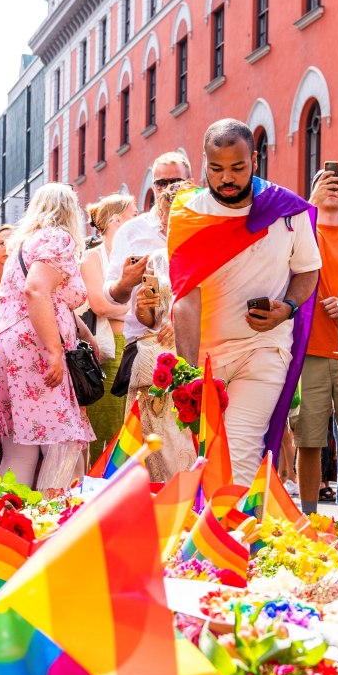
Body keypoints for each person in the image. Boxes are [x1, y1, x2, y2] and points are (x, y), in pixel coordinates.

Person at [170, 120, 320, 485]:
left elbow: (308, 271)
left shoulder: (287, 210)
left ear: (254, 159)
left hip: (264, 349)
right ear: (204, 162)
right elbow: (185, 299)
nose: (227, 178)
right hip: (206, 357)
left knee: (239, 454)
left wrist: (288, 306)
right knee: (205, 457)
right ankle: (226, 520)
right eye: (216, 169)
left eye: (237, 167)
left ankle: (232, 522)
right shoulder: (188, 215)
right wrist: (188, 374)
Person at [0, 183, 97, 490]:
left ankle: (8, 514)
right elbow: (36, 290)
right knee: (63, 446)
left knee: (19, 449)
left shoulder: (23, 244)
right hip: (33, 346)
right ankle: (55, 516)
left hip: (1, 343)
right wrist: (54, 350)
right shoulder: (57, 238)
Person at [293, 166, 338, 513]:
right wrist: (311, 205)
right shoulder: (302, 231)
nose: (333, 186)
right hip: (310, 352)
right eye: (324, 182)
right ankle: (308, 517)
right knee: (308, 440)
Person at [105, 152, 193, 390]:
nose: (167, 188)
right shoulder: (132, 232)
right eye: (161, 183)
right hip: (147, 346)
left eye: (175, 182)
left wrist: (182, 324)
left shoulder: (205, 231)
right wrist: (126, 283)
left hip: (198, 343)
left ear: (189, 182)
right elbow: (113, 294)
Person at [133, 181, 199, 481]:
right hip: (156, 362)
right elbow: (149, 319)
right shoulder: (157, 259)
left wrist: (183, 322)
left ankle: (191, 497)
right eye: (167, 216)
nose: (172, 224)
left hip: (192, 357)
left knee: (185, 442)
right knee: (157, 446)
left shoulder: (208, 256)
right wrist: (142, 307)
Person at [82, 193, 136, 459]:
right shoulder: (92, 258)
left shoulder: (137, 256)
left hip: (136, 346)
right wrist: (134, 311)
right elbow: (100, 306)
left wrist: (124, 311)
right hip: (108, 350)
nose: (139, 219)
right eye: (133, 215)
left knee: (129, 426)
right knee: (105, 426)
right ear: (117, 220)